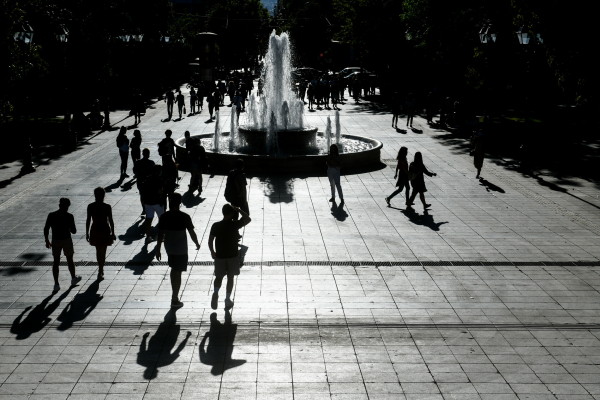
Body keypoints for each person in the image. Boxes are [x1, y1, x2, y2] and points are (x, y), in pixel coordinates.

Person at [156, 193, 200, 308]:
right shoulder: (185, 216)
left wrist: (158, 249)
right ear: (180, 202)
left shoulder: (164, 217)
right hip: (181, 249)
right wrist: (196, 243)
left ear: (170, 202)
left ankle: (174, 295)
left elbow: (160, 235)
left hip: (169, 248)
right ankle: (175, 298)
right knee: (178, 271)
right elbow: (191, 232)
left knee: (174, 269)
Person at [208, 203, 252, 310]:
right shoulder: (234, 224)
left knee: (218, 277)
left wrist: (212, 252)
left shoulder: (216, 225)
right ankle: (227, 299)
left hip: (220, 256)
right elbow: (248, 219)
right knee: (230, 277)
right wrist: (239, 210)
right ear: (232, 213)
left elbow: (210, 241)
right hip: (232, 256)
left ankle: (216, 292)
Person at [44, 198, 81, 292]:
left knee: (56, 262)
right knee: (70, 259)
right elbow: (74, 231)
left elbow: (46, 228)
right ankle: (73, 278)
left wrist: (47, 240)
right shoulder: (69, 216)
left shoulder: (51, 215)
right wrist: (68, 227)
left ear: (59, 205)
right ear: (67, 206)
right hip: (66, 240)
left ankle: (56, 284)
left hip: (56, 240)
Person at [86, 187, 116, 281]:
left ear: (95, 195)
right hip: (104, 229)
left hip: (95, 229)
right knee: (103, 251)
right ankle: (100, 269)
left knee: (98, 250)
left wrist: (87, 232)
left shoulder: (90, 206)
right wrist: (113, 232)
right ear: (104, 195)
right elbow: (111, 220)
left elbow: (88, 220)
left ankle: (100, 268)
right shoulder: (107, 207)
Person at [141, 165, 164, 243]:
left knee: (149, 220)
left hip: (148, 202)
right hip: (157, 202)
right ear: (157, 171)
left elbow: (143, 191)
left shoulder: (147, 179)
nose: (161, 172)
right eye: (160, 170)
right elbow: (160, 191)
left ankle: (148, 237)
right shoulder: (158, 179)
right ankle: (161, 236)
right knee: (161, 220)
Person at [133, 148, 155, 218]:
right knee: (149, 195)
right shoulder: (151, 163)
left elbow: (134, 171)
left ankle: (144, 209)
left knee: (142, 195)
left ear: (142, 154)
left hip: (140, 181)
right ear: (148, 154)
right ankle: (148, 208)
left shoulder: (138, 162)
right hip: (149, 182)